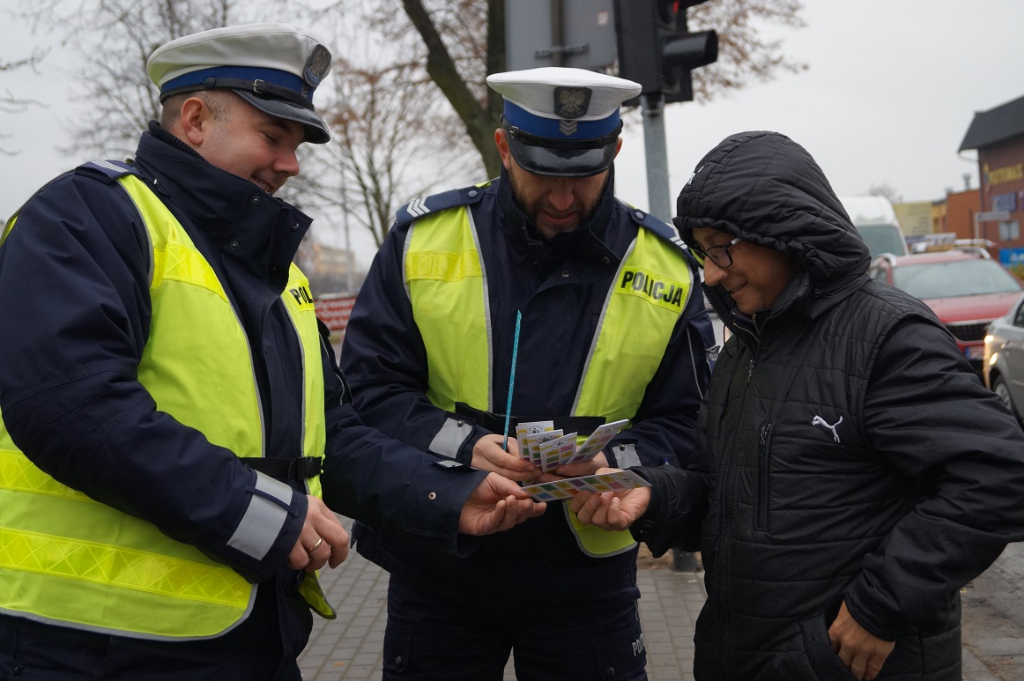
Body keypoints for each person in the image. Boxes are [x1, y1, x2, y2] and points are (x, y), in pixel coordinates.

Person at [0, 23, 544, 681]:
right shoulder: (87, 218)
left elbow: (330, 435)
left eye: (296, 145)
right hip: (88, 646)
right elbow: (69, 406)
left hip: (250, 638)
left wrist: (444, 491)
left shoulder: (279, 272)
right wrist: (259, 513)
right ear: (195, 120)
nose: (291, 163)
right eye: (273, 137)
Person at [569, 130, 1024, 681]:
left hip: (847, 661)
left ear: (784, 236)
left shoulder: (887, 337)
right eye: (702, 253)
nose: (710, 272)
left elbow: (1000, 476)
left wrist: (879, 607)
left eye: (721, 248)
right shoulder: (745, 349)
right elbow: (723, 494)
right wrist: (651, 493)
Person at [339, 66, 715, 680]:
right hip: (441, 560)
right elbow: (368, 395)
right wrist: (467, 447)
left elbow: (692, 423)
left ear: (616, 150)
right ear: (505, 147)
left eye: (584, 175)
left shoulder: (668, 267)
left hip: (585, 576)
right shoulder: (422, 240)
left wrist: (613, 465)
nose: (563, 200)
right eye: (544, 174)